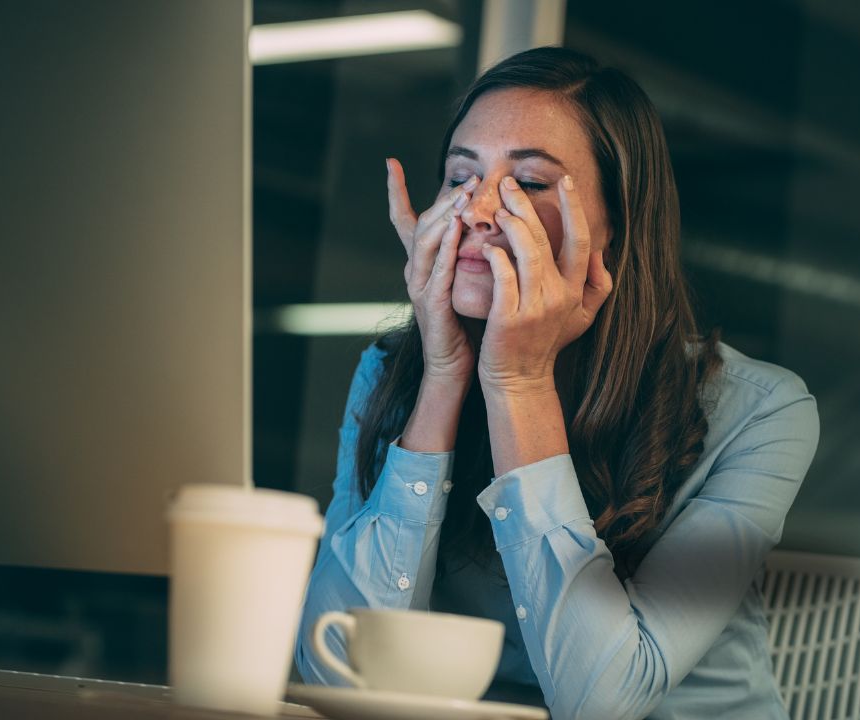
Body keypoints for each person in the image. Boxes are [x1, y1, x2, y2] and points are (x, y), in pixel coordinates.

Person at [294, 46, 819, 720]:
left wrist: (520, 382)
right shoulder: (389, 377)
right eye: (461, 176)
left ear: (617, 226)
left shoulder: (762, 412)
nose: (476, 210)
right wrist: (445, 376)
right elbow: (335, 677)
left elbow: (601, 702)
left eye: (530, 184)